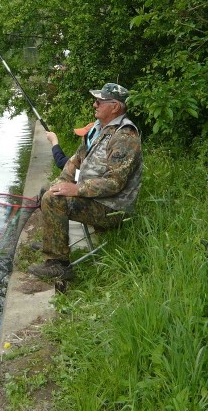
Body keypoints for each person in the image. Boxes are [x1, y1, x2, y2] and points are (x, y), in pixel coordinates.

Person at [28, 83, 143, 280]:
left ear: (115, 106)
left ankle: (60, 265)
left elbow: (115, 183)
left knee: (54, 200)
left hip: (112, 208)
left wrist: (76, 189)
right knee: (47, 191)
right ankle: (54, 242)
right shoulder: (99, 129)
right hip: (94, 199)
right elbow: (74, 161)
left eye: (100, 101)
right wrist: (61, 183)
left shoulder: (125, 136)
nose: (94, 104)